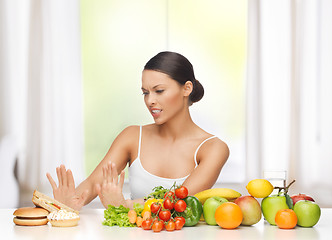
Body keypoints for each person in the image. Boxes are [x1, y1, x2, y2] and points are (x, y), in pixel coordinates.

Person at [46, 51, 229, 210]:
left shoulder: (213, 148)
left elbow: (180, 201)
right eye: (145, 92)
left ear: (186, 88)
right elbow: (94, 183)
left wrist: (124, 205)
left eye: (159, 91)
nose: (150, 101)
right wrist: (70, 201)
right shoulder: (132, 137)